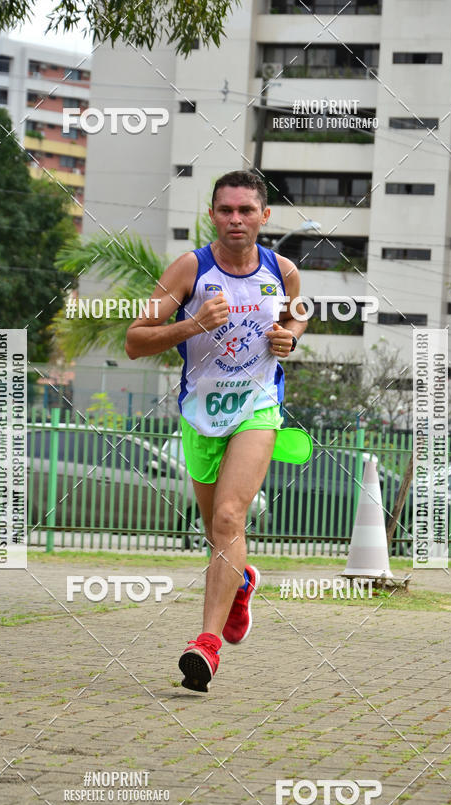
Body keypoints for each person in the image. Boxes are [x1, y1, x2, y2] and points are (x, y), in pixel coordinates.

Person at [126, 170, 307, 692]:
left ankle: (205, 646)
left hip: (257, 407)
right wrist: (193, 324)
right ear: (212, 215)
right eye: (226, 210)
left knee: (230, 517)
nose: (236, 219)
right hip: (200, 415)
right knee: (217, 535)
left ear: (263, 216)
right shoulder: (191, 269)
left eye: (246, 210)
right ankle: (242, 581)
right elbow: (135, 340)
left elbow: (298, 316)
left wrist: (290, 338)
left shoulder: (283, 271)